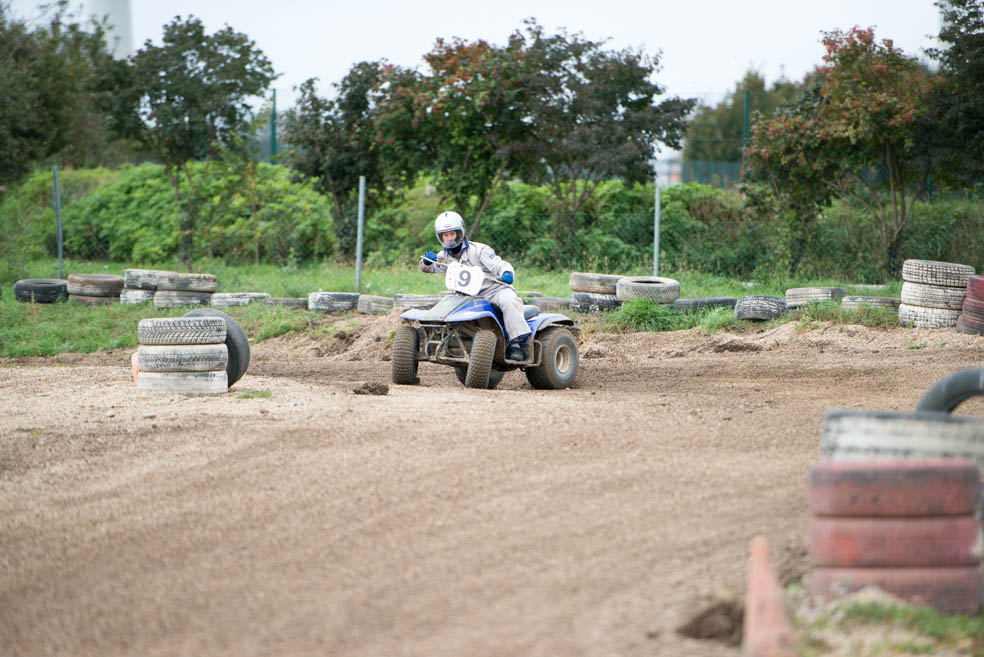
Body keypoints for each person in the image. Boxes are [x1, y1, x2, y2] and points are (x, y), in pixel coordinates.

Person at [420, 211, 531, 361]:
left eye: (452, 234)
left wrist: (506, 273)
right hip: (467, 296)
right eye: (445, 235)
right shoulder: (444, 256)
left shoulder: (479, 250)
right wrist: (426, 261)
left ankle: (516, 344)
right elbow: (430, 268)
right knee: (446, 304)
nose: (449, 238)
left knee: (509, 300)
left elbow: (500, 265)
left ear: (460, 233)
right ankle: (445, 339)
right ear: (440, 237)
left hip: (493, 291)